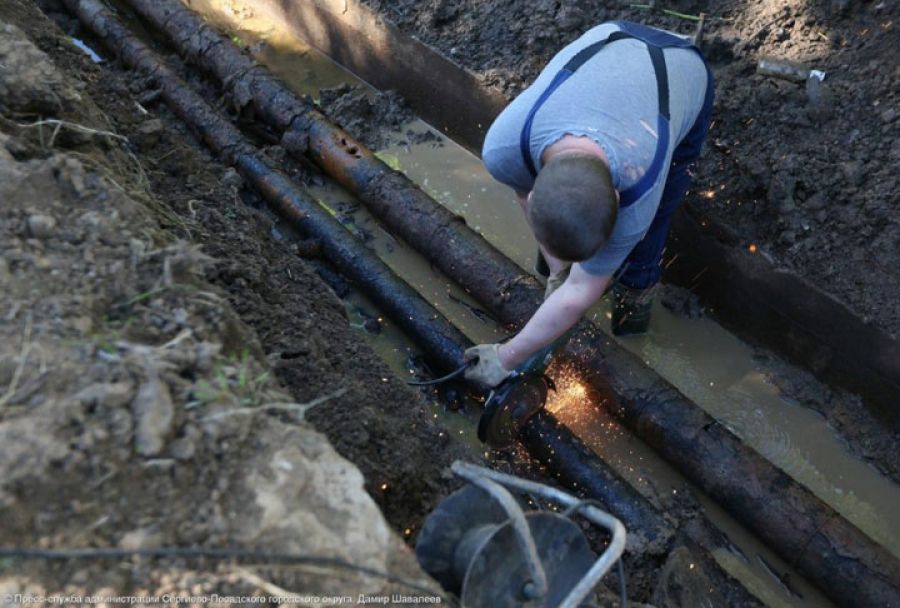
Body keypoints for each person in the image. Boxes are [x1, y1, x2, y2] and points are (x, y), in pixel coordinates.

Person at [465, 20, 715, 389]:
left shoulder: (639, 190)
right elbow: (524, 195)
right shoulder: (505, 147)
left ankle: (632, 310)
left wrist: (506, 358)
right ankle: (556, 266)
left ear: (617, 201)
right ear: (535, 194)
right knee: (564, 257)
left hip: (680, 69)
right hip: (611, 40)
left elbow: (582, 293)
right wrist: (559, 275)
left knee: (653, 227)